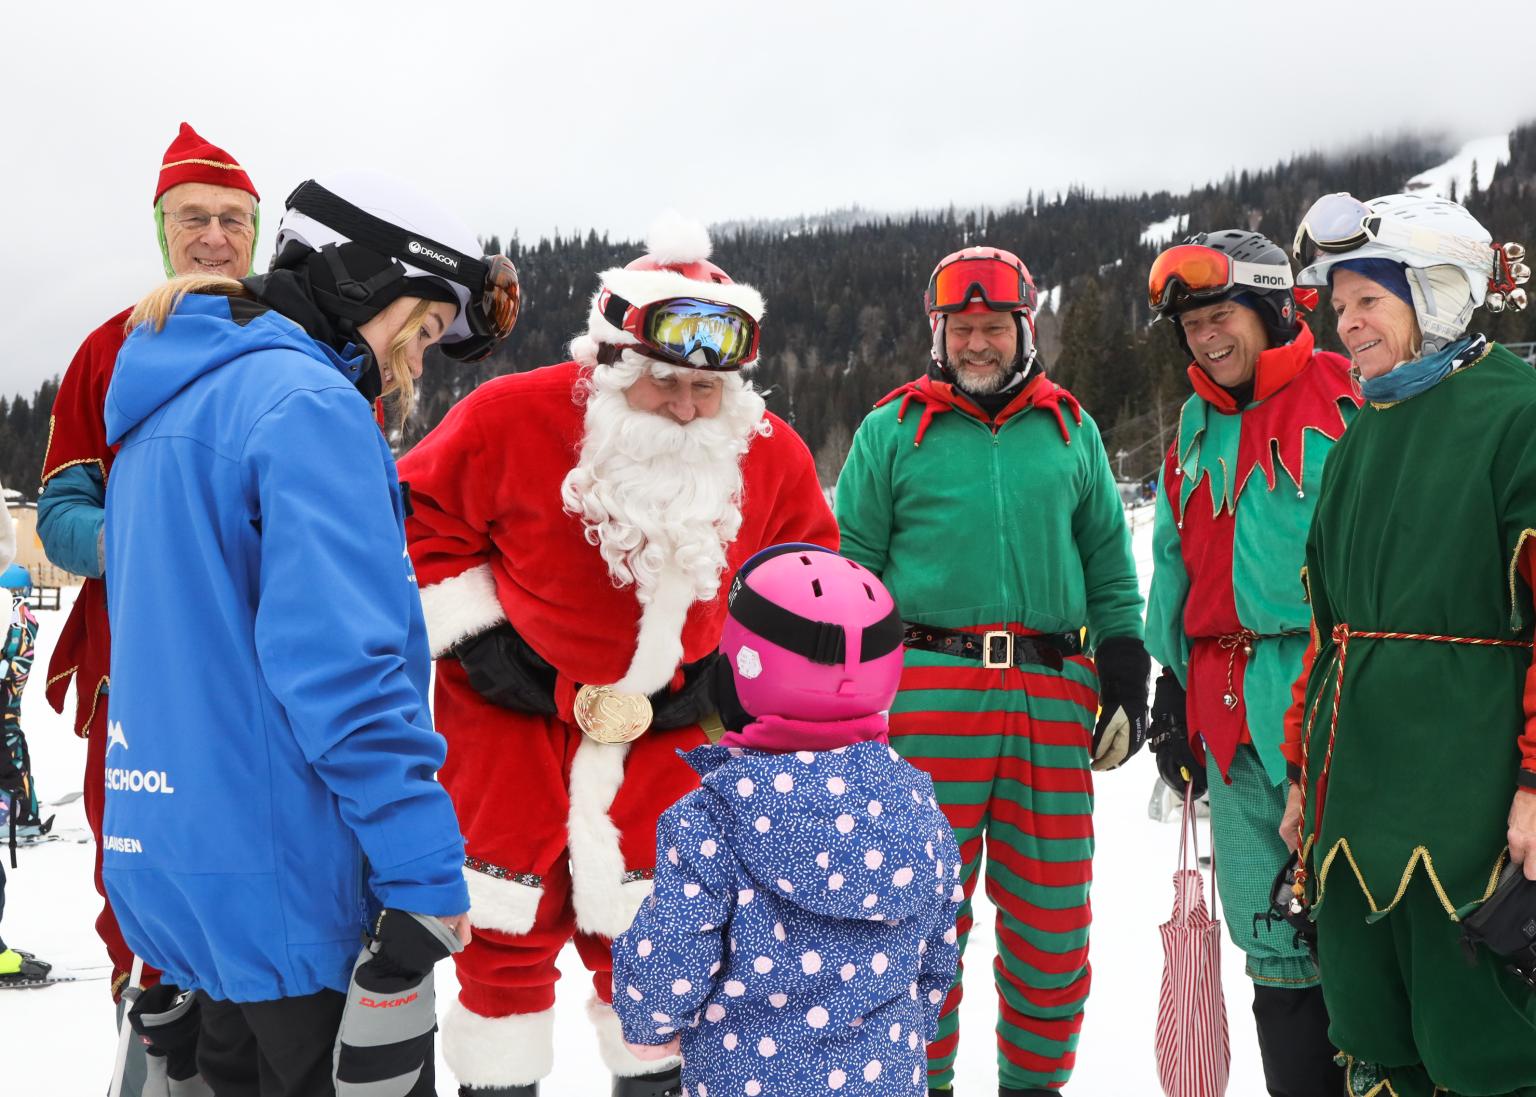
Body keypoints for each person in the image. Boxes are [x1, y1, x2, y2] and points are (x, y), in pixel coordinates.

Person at [100, 169, 518, 1096]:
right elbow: (344, 671)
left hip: (184, 877)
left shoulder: (165, 410)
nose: (415, 364)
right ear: (371, 280)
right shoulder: (311, 408)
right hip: (293, 891)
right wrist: (421, 867)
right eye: (424, 331)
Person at [399, 215, 838, 1097]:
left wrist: (732, 678)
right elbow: (414, 523)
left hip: (669, 742)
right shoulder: (507, 417)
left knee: (664, 954)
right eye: (663, 381)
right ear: (610, 363)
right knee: (501, 942)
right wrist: (481, 646)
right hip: (512, 729)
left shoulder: (767, 453)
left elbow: (810, 582)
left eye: (706, 388)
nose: (686, 406)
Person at [834, 246, 1149, 1096]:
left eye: (994, 328)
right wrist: (841, 704)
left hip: (1051, 693)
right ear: (938, 334)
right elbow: (850, 574)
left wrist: (1125, 672)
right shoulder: (891, 430)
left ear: (1025, 330)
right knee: (915, 918)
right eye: (961, 328)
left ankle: (1032, 1085)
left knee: (1053, 922)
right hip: (923, 696)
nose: (977, 344)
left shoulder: (1072, 429)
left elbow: (1111, 570)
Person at [1280, 190, 1536, 1097]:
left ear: (1437, 295)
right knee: (1374, 1033)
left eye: (1368, 301)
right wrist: (1302, 776)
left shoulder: (1517, 415)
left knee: (1485, 1043)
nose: (1345, 324)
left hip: (1470, 806)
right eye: (1338, 305)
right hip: (1353, 809)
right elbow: (1328, 635)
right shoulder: (1361, 435)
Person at [37, 123, 261, 1015]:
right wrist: (168, 548)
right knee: (140, 882)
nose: (214, 237)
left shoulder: (291, 345)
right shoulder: (109, 348)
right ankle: (153, 1038)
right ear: (161, 230)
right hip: (138, 676)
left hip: (264, 671)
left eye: (233, 220)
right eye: (193, 217)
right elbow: (61, 519)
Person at [611, 543, 963, 1096]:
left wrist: (648, 1028)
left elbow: (672, 956)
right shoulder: (918, 808)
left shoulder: (712, 819)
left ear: (739, 673)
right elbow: (938, 957)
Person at [1141, 229, 1358, 1097]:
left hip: (1331, 698)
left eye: (1220, 316)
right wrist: (1168, 684)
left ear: (1271, 308)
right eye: (1191, 326)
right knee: (1271, 943)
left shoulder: (1346, 400)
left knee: (1357, 928)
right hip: (1225, 713)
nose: (1205, 339)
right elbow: (1173, 562)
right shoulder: (1193, 429)